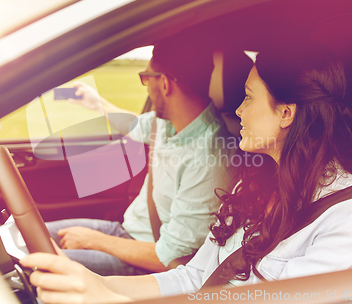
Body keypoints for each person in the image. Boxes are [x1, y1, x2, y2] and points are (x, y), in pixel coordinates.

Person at [22, 42, 352, 303]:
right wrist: (97, 283)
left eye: (248, 97)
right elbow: (193, 278)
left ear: (286, 113)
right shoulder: (255, 188)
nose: (238, 111)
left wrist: (111, 298)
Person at [45, 35, 238, 276]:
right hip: (127, 232)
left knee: (39, 264)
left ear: (165, 84)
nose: (146, 85)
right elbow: (134, 126)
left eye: (146, 78)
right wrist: (96, 103)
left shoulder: (210, 159)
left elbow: (170, 257)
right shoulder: (166, 124)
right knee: (30, 236)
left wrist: (92, 240)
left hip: (149, 260)